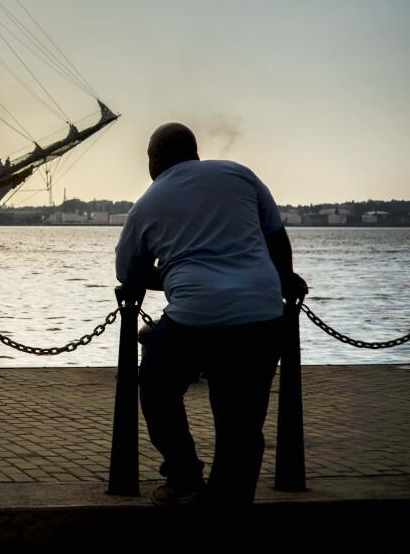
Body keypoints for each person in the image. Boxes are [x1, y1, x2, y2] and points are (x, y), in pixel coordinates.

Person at [115, 123, 305, 507]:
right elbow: (276, 238)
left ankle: (184, 476)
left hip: (194, 318)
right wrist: (283, 280)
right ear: (195, 152)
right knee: (242, 422)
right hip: (262, 315)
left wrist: (171, 277)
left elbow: (128, 272)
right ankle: (229, 506)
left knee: (156, 386)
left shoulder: (148, 203)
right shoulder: (239, 174)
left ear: (153, 159)